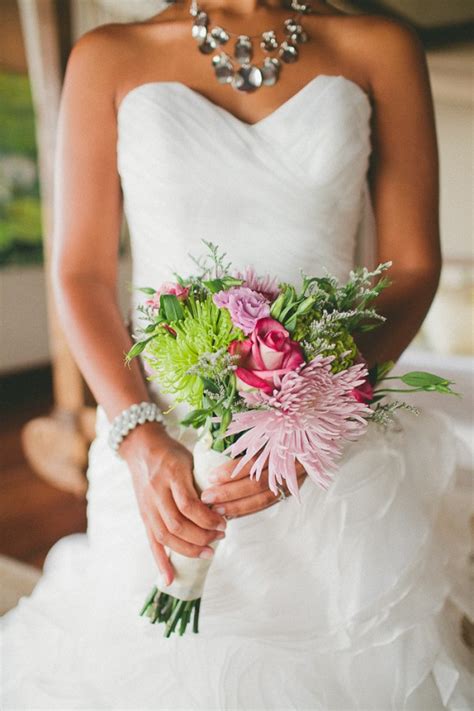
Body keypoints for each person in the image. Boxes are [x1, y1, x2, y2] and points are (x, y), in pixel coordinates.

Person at [1, 0, 472, 708]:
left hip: (332, 440)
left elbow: (409, 267)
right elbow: (82, 275)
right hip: (163, 439)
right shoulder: (108, 54)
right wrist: (138, 436)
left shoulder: (380, 43)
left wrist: (316, 415)